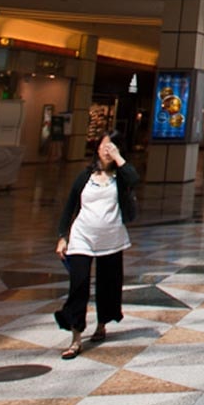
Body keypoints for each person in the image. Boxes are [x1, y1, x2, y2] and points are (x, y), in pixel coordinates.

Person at [55, 134, 138, 360]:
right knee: (78, 283)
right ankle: (75, 338)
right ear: (97, 148)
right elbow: (70, 206)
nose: (107, 149)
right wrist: (63, 236)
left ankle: (101, 324)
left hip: (111, 238)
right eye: (104, 145)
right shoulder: (85, 176)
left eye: (112, 146)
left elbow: (134, 178)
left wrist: (119, 158)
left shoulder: (120, 177)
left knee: (108, 283)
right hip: (82, 237)